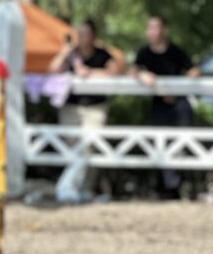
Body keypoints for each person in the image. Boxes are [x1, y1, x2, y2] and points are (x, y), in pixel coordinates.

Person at [49, 19, 124, 201]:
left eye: (86, 34)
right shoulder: (71, 54)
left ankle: (86, 188)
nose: (83, 38)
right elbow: (53, 70)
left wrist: (90, 73)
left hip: (94, 107)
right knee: (71, 147)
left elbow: (114, 71)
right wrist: (64, 53)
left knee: (90, 146)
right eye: (80, 34)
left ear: (93, 36)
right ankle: (70, 188)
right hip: (71, 107)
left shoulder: (102, 54)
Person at [133, 14, 198, 198]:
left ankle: (185, 183)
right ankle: (170, 185)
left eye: (156, 27)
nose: (153, 32)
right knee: (161, 143)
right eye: (150, 28)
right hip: (158, 104)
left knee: (184, 141)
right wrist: (142, 75)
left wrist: (179, 87)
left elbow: (194, 70)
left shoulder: (176, 51)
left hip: (180, 103)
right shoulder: (144, 52)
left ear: (165, 30)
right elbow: (133, 69)